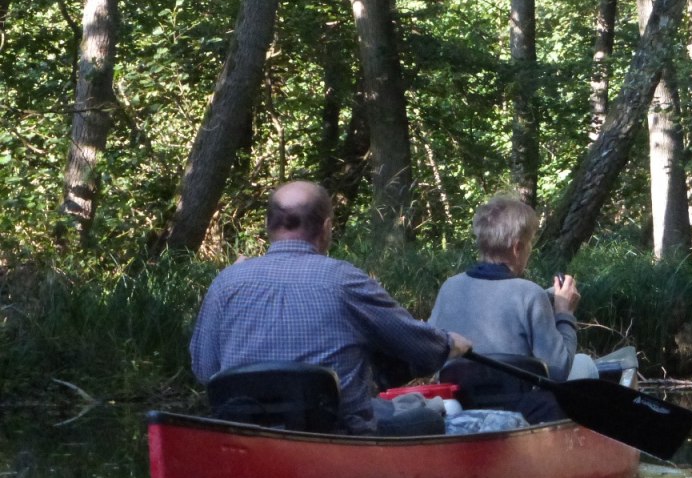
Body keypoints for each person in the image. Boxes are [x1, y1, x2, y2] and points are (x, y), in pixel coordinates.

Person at [189, 180, 472, 436]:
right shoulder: (345, 281)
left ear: (268, 226)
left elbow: (205, 369)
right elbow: (418, 346)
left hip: (247, 435)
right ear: (325, 228)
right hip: (336, 434)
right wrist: (449, 343)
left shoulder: (227, 282)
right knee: (430, 419)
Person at [428, 193, 591, 422]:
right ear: (517, 248)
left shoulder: (450, 288)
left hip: (460, 405)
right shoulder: (529, 294)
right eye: (530, 244)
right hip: (522, 410)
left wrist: (546, 300)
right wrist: (564, 312)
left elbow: (429, 353)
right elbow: (558, 371)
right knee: (586, 367)